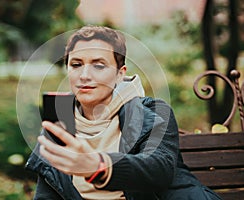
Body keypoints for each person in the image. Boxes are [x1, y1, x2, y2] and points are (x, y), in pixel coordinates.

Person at [25, 25, 222, 200]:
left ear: (120, 73)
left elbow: (158, 168)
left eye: (99, 65)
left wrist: (98, 166)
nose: (84, 75)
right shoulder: (59, 124)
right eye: (76, 65)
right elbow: (48, 191)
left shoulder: (152, 112)